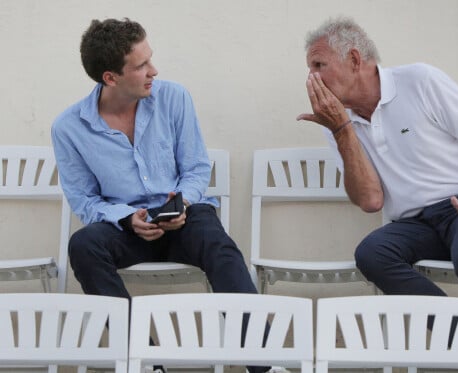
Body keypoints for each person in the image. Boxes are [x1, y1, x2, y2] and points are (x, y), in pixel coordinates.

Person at [52, 18, 285, 373]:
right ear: (110, 78)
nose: (153, 71)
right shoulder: (69, 128)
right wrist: (127, 218)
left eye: (151, 59)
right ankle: (146, 362)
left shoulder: (173, 97)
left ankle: (265, 365)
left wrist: (184, 203)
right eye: (141, 65)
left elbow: (195, 169)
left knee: (218, 245)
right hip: (126, 229)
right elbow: (85, 201)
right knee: (83, 245)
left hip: (185, 217)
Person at [297, 17, 458, 310]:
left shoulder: (420, 80)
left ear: (353, 59)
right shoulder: (335, 123)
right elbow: (371, 200)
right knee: (372, 254)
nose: (311, 78)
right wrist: (342, 129)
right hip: (415, 224)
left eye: (318, 66)